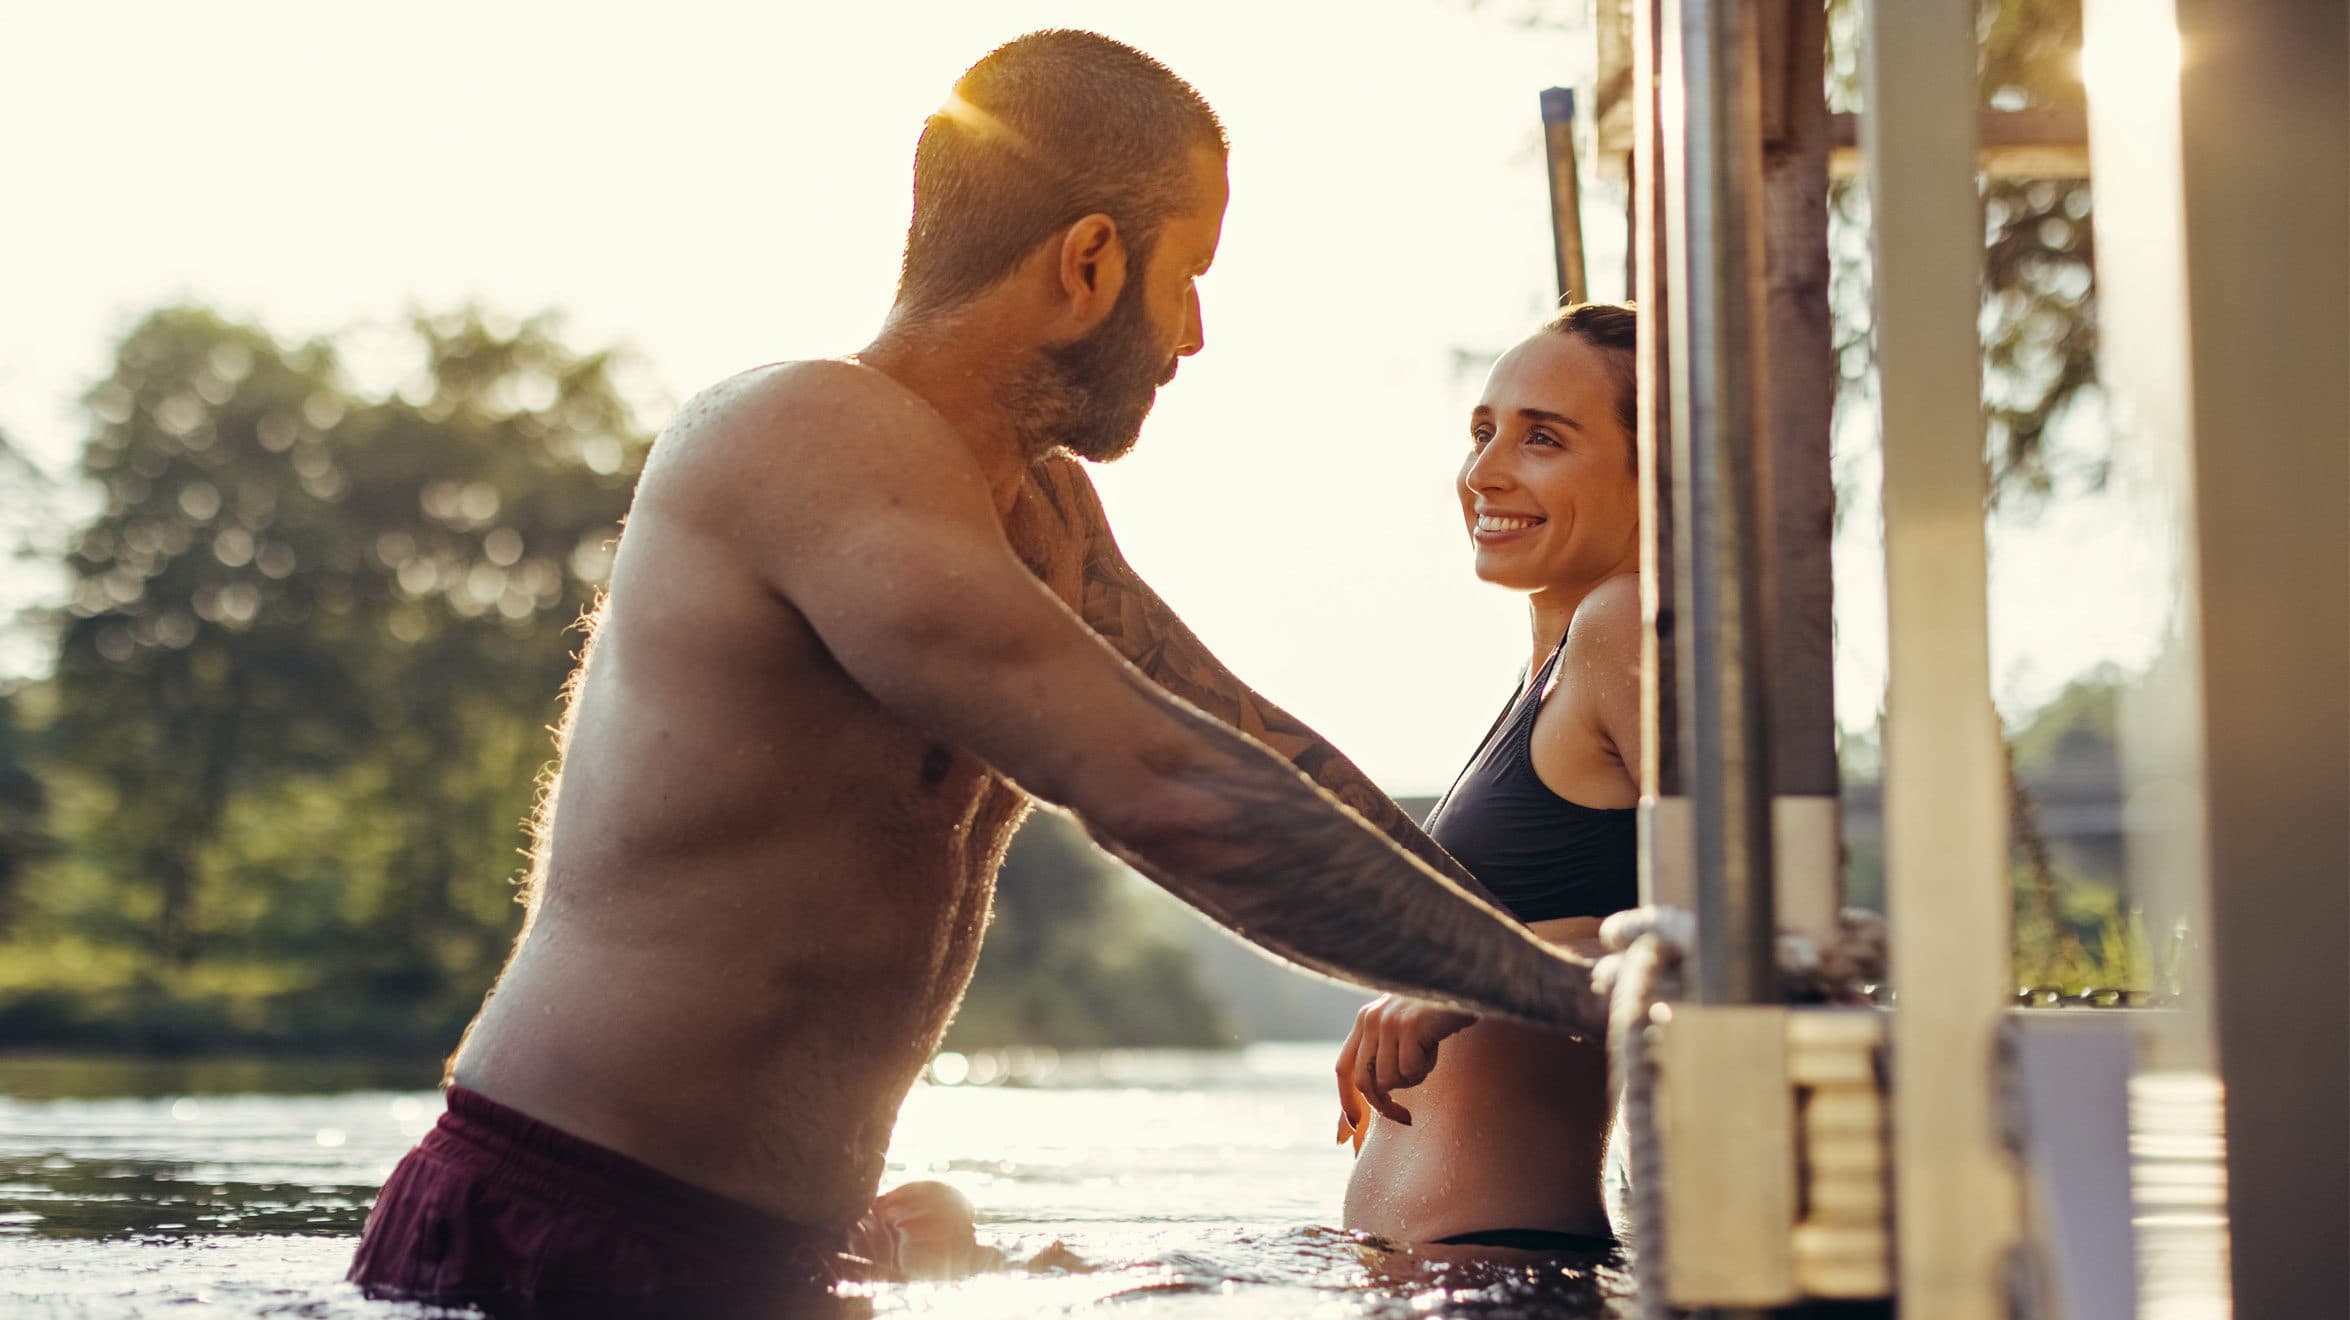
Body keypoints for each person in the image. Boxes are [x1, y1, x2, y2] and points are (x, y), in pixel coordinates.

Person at [346, 29, 1604, 1310]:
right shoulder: (804, 433)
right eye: (1188, 280)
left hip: (774, 1261)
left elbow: (1262, 750)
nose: (1194, 335)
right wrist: (1566, 994)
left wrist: (1587, 964)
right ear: (1091, 261)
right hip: (566, 1228)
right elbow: (1155, 780)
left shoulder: (1041, 516)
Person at [1334, 303, 1643, 1256]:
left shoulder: (1628, 627)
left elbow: (1731, 943)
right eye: (1482, 433)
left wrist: (1479, 980)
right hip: (1448, 1270)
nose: (1484, 473)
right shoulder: (1554, 664)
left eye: (1542, 438)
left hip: (1505, 1269)